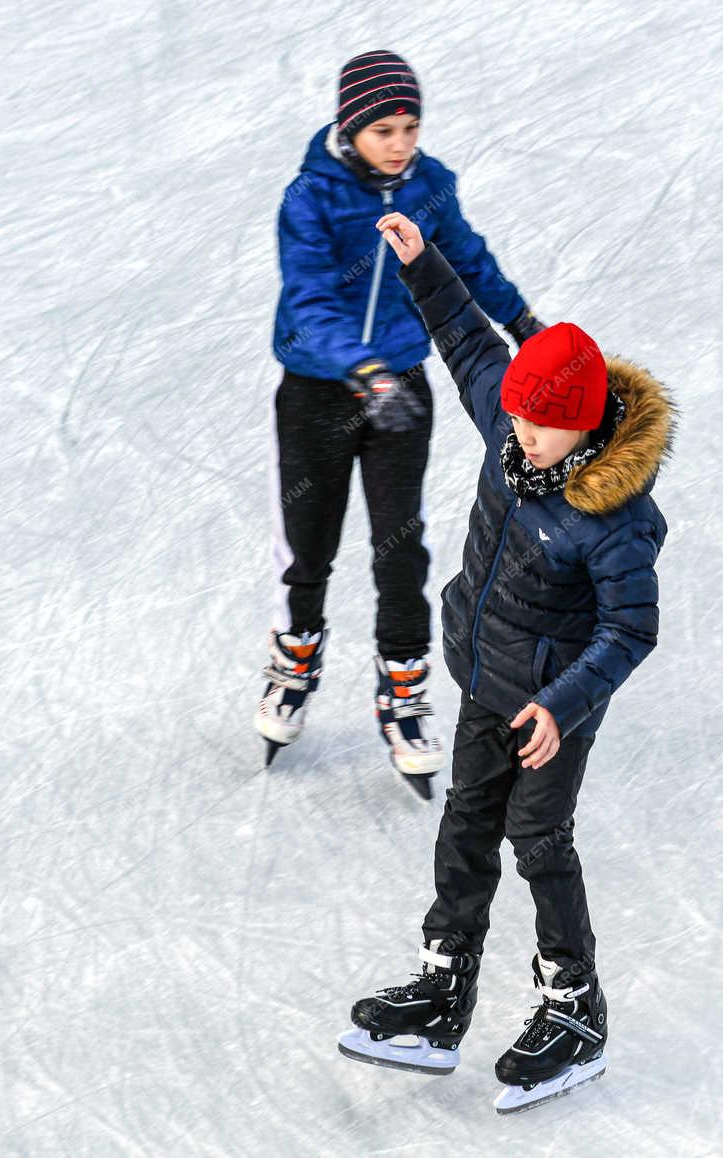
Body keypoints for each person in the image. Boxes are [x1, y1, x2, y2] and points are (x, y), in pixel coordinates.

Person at [336, 211, 676, 1114]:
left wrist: (563, 705)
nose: (519, 436)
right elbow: (465, 340)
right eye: (517, 419)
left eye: (540, 427)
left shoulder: (616, 518)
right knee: (464, 826)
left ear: (585, 428)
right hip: (488, 673)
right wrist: (423, 265)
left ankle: (576, 1009)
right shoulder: (514, 424)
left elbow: (631, 630)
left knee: (537, 840)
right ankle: (444, 989)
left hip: (550, 707)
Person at [256, 49, 546, 791]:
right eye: (384, 128)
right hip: (320, 391)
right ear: (351, 129)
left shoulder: (430, 187)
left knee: (400, 545)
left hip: (402, 390)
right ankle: (298, 655)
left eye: (411, 125)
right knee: (312, 541)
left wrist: (525, 325)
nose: (401, 142)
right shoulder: (310, 199)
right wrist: (362, 369)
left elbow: (469, 261)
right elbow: (310, 299)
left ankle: (403, 684)